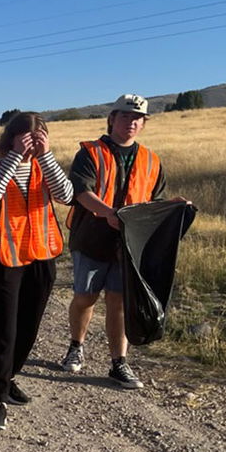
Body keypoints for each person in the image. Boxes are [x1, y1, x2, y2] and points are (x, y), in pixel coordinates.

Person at [60, 94, 167, 389]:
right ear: (112, 119)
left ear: (143, 124)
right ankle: (75, 346)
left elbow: (154, 203)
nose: (131, 122)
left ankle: (119, 363)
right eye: (125, 116)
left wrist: (177, 207)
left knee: (118, 302)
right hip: (91, 239)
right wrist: (109, 214)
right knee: (86, 297)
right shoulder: (90, 153)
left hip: (129, 246)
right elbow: (81, 192)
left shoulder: (151, 160)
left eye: (137, 118)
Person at [0, 112, 72, 431]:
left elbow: (66, 196)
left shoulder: (44, 167)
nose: (34, 141)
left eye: (40, 136)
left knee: (30, 325)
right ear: (12, 137)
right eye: (27, 136)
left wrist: (45, 156)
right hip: (4, 254)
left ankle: (11, 376)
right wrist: (16, 155)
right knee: (6, 328)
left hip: (42, 254)